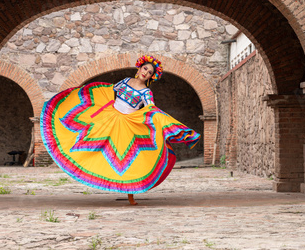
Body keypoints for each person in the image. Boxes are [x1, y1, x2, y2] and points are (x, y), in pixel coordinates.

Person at [40, 55, 200, 205]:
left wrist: (164, 123)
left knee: (126, 160)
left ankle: (131, 194)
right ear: (139, 68)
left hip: (127, 124)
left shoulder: (146, 92)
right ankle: (82, 169)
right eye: (145, 69)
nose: (146, 73)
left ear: (151, 77)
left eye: (150, 73)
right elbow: (110, 93)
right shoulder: (124, 81)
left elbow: (151, 109)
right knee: (92, 143)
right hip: (109, 117)